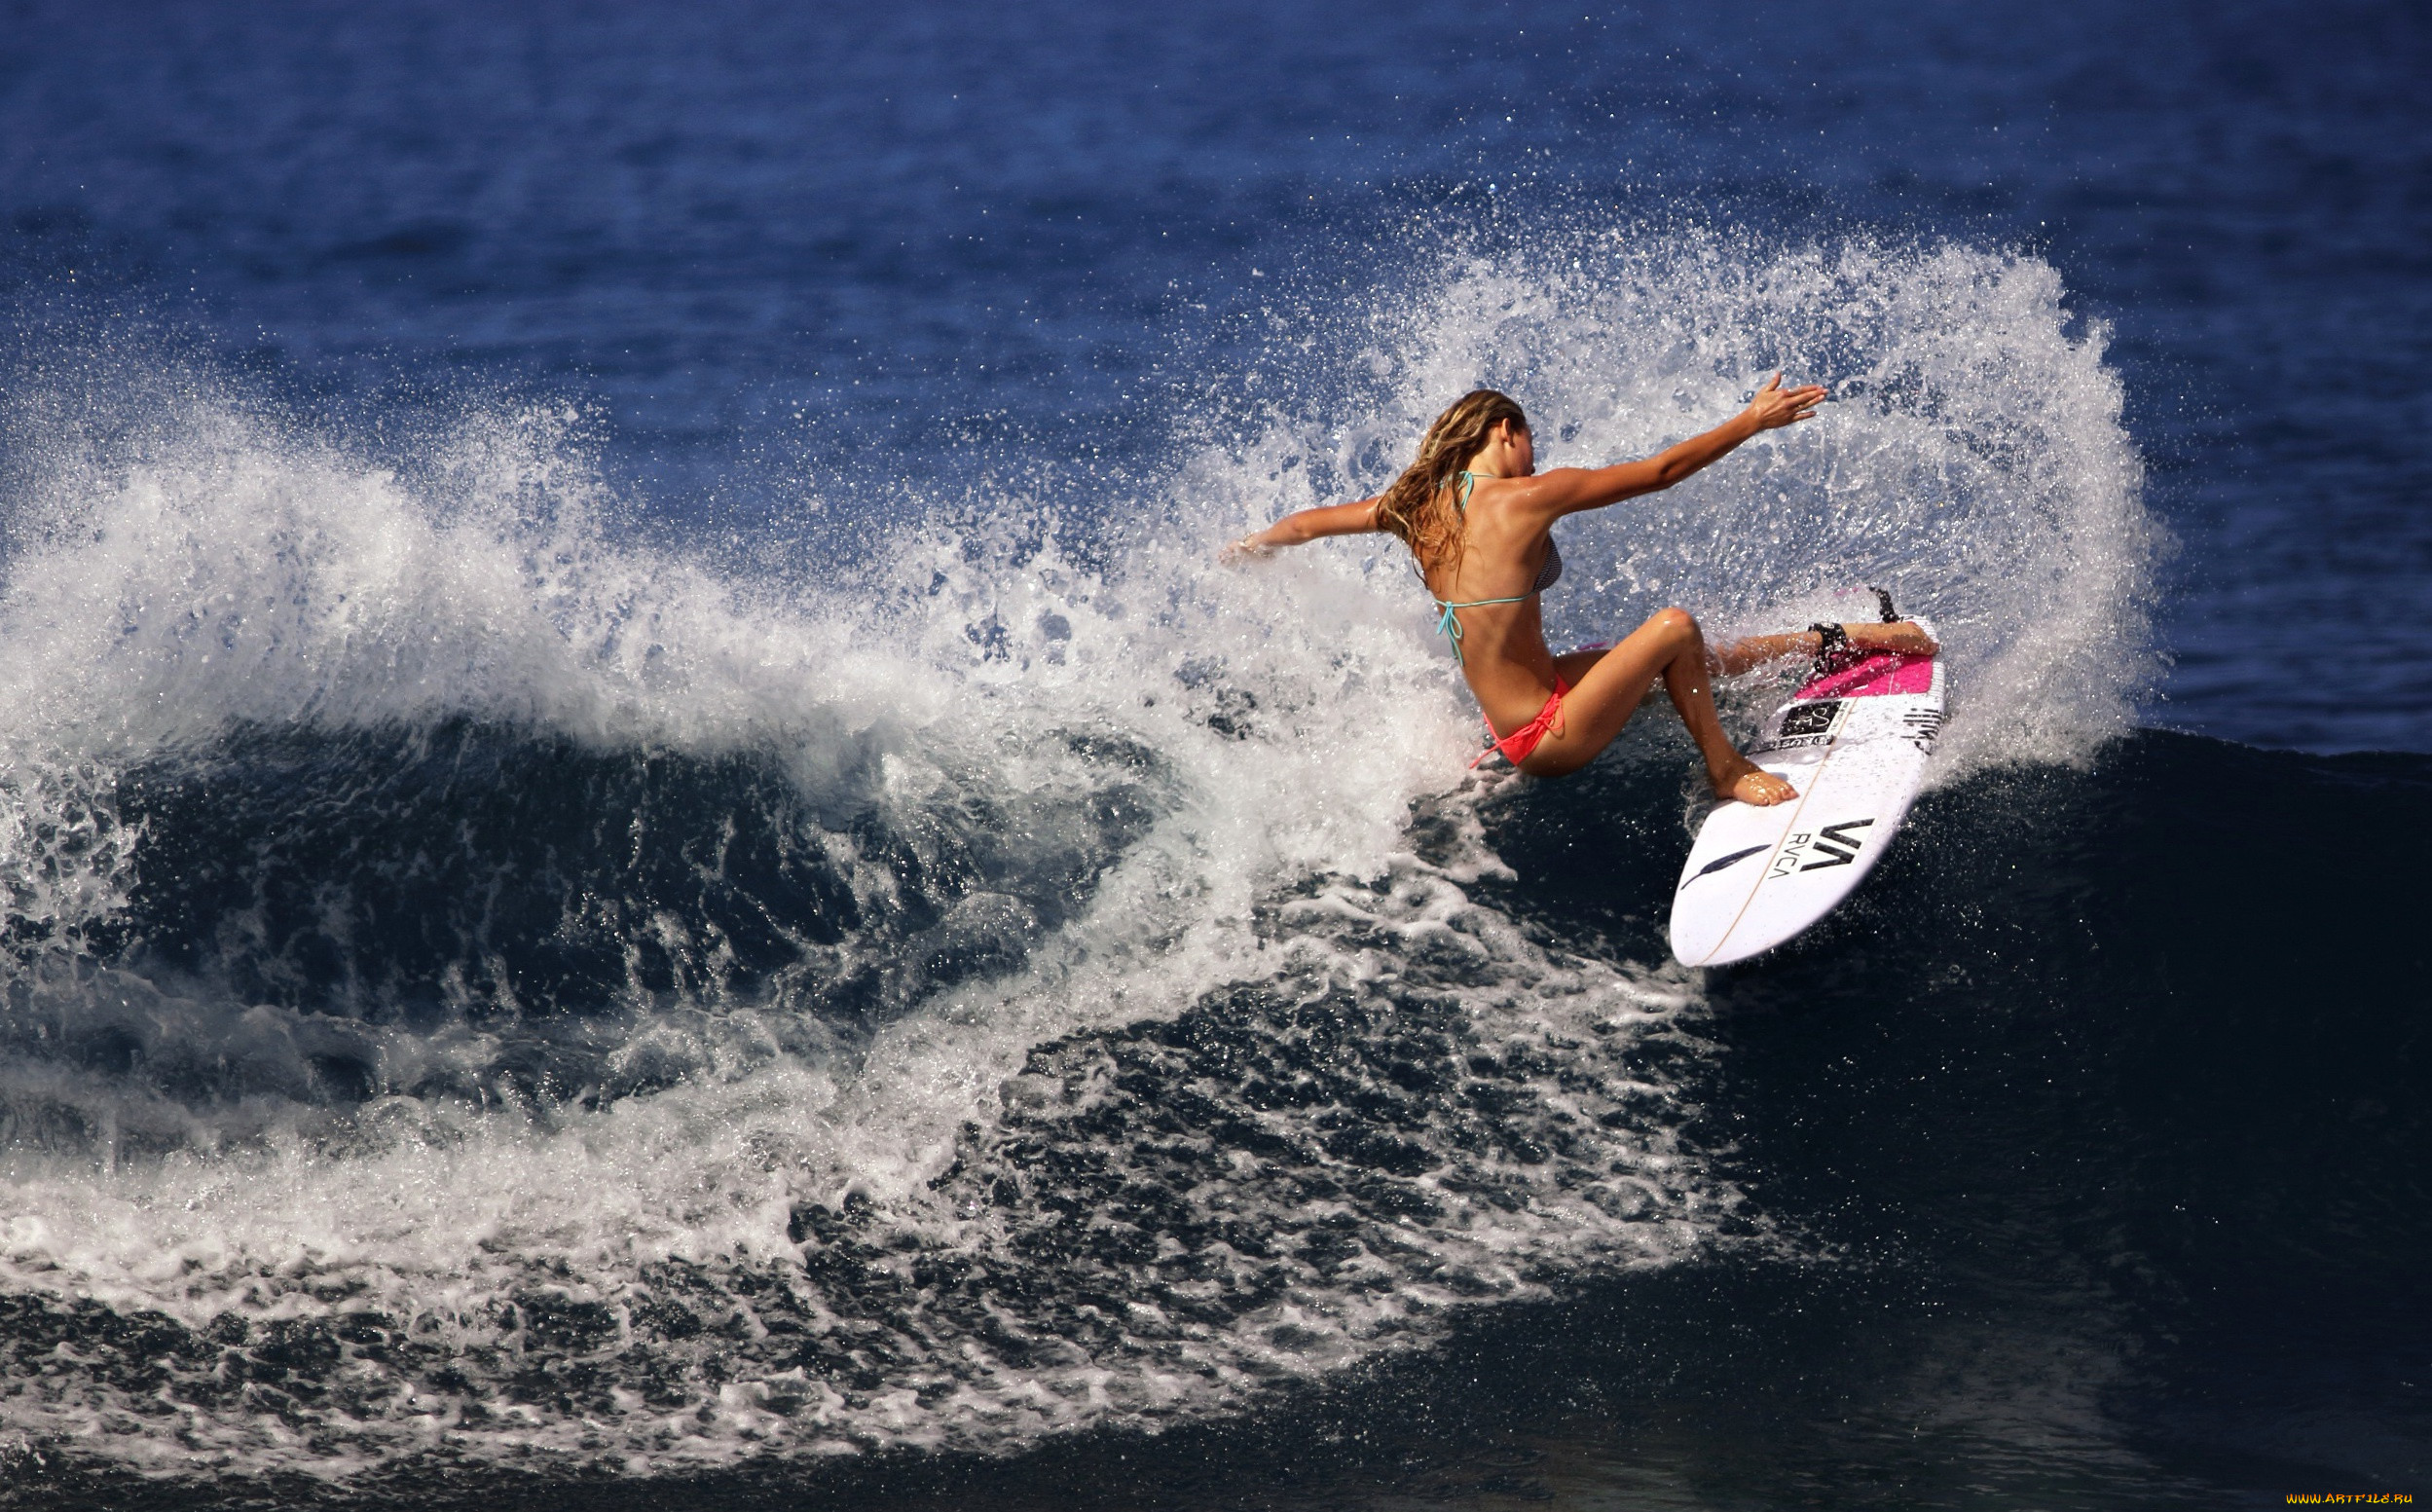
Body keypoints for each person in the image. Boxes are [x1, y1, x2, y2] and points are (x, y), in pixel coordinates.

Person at [1225, 378, 1937, 802]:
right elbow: (1659, 472)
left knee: (1698, 659)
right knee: (1674, 629)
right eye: (1529, 437)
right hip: (1547, 736)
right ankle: (1727, 770)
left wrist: (1251, 548)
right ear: (1506, 433)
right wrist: (1751, 420)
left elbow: (1309, 523)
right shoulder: (1528, 496)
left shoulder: (1412, 507)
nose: (1535, 452)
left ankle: (1853, 640)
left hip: (1527, 716)